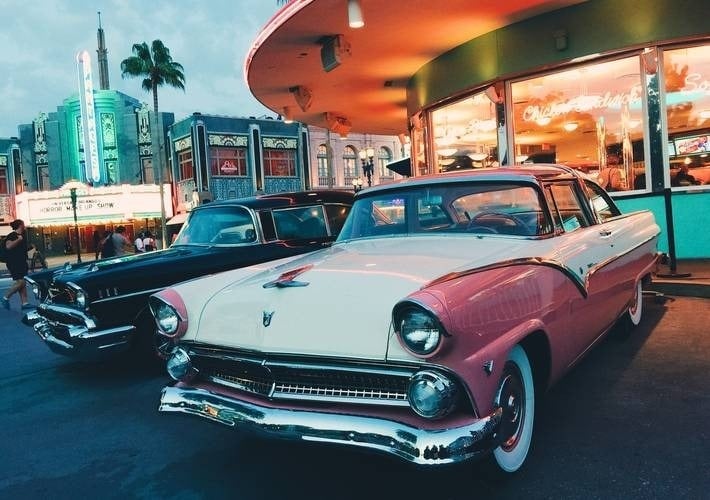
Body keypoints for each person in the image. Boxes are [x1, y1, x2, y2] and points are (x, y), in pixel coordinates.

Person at [2, 219, 32, 310]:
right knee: (21, 281)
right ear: (20, 225)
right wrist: (19, 240)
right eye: (23, 224)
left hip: (21, 262)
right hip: (14, 263)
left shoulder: (22, 236)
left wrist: (30, 248)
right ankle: (5, 297)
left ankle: (25, 303)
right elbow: (8, 246)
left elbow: (20, 250)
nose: (25, 226)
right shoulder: (12, 235)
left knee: (22, 282)